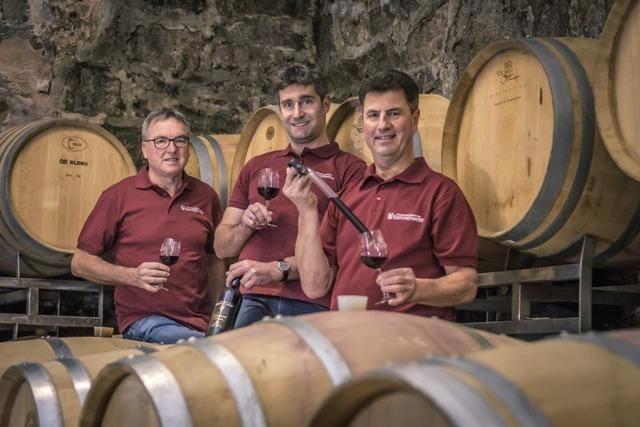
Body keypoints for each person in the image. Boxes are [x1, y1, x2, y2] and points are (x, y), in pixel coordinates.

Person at [283, 70, 478, 319]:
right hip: (347, 332)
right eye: (373, 115)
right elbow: (314, 287)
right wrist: (306, 210)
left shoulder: (441, 193)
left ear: (414, 120)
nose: (383, 125)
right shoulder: (348, 195)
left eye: (394, 114)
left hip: (410, 336)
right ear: (364, 124)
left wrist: (419, 289)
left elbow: (466, 284)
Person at [214, 64, 366, 328]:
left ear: (325, 104)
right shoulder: (257, 166)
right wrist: (245, 227)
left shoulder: (350, 170)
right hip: (252, 298)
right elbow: (221, 247)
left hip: (312, 302)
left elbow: (345, 255)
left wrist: (276, 269)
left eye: (306, 101)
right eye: (288, 104)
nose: (297, 113)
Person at [71, 108, 225, 343]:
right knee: (204, 349)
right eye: (160, 141)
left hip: (198, 325)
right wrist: (131, 276)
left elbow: (214, 260)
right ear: (144, 149)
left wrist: (218, 321)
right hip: (145, 322)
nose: (171, 149)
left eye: (180, 140)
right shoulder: (118, 196)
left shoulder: (206, 196)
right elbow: (80, 263)